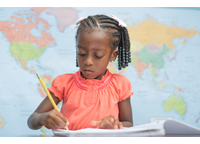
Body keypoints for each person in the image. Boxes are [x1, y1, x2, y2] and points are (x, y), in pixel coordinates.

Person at [27, 14, 134, 131]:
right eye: (82, 53)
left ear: (113, 55)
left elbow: (128, 123)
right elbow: (32, 121)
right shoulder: (64, 83)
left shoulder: (120, 84)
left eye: (98, 55)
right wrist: (43, 118)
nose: (88, 61)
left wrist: (115, 125)